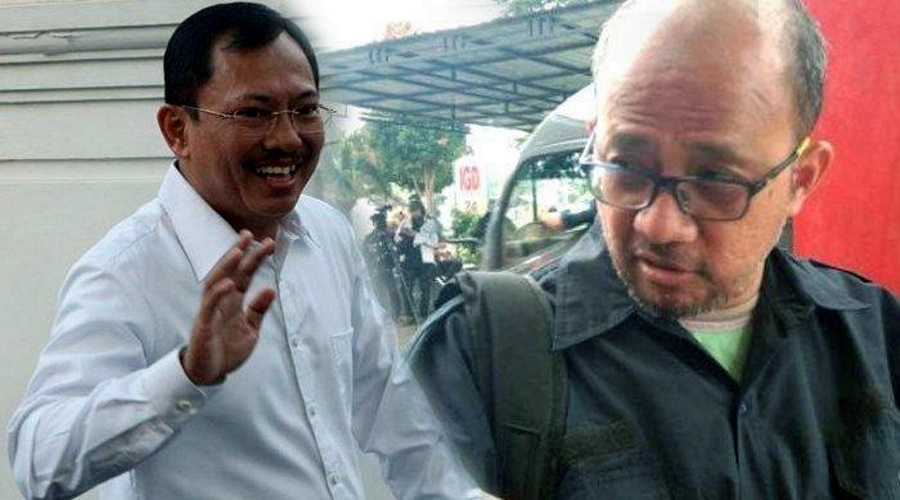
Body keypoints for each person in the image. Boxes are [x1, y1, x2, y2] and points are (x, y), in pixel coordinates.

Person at [409, 0, 900, 498]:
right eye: (625, 165)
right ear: (596, 144)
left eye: (714, 179)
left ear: (801, 179)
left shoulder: (877, 335)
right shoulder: (480, 358)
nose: (659, 225)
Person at [7, 3, 477, 499]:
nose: (287, 138)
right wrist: (187, 375)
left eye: (305, 109)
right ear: (177, 130)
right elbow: (40, 463)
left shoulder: (328, 234)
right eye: (253, 113)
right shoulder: (126, 272)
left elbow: (395, 413)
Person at [395, 197, 440, 321]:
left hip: (425, 261)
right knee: (406, 289)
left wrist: (415, 235)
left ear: (421, 210)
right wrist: (403, 234)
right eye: (412, 210)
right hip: (409, 260)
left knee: (425, 288)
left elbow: (434, 242)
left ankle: (423, 315)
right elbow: (397, 239)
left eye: (416, 210)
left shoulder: (429, 224)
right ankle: (410, 315)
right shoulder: (405, 223)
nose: (414, 213)